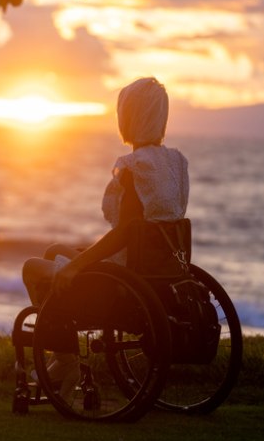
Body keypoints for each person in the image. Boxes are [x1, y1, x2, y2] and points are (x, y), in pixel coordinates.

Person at [21, 77, 189, 399]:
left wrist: (76, 266)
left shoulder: (134, 166)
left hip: (122, 280)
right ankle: (63, 352)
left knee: (32, 267)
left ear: (128, 116)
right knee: (55, 250)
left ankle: (65, 358)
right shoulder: (176, 164)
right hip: (159, 270)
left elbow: (124, 234)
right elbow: (147, 227)